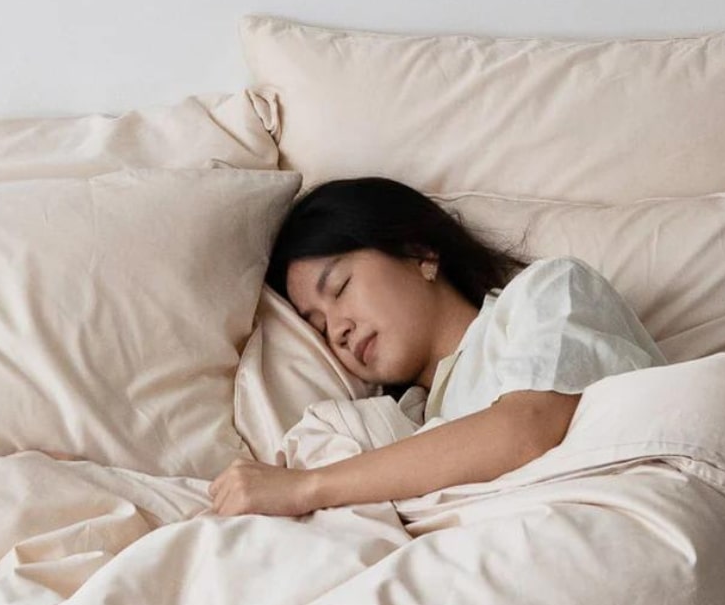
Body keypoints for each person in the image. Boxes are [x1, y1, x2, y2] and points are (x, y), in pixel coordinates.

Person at [208, 177, 667, 517]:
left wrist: (306, 488)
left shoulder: (545, 293)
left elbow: (527, 429)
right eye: (318, 325)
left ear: (420, 254)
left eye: (341, 286)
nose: (338, 331)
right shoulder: (405, 422)